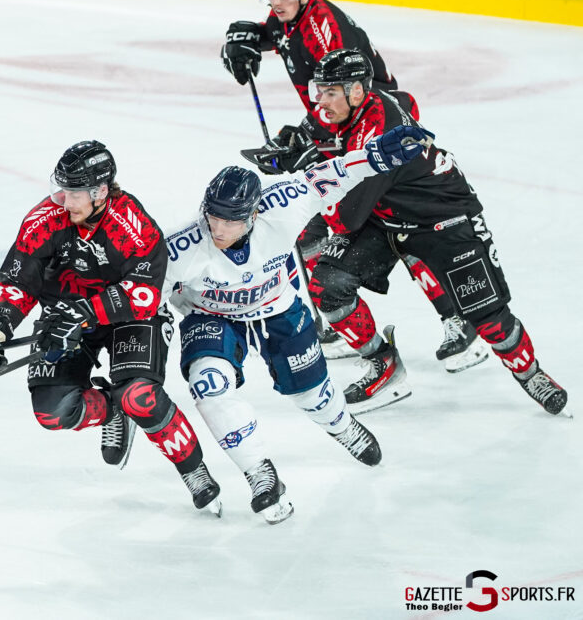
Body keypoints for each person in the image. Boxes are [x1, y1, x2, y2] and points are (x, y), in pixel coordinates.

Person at [218, 0, 487, 373]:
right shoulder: (297, 17)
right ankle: (344, 324)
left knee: (400, 227)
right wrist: (248, 36)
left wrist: (304, 138)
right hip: (343, 128)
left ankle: (460, 320)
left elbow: (342, 93)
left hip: (377, 131)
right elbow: (281, 34)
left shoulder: (325, 32)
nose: (276, 1)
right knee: (311, 227)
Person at [162, 122, 432, 524]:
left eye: (230, 221)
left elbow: (340, 172)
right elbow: (144, 295)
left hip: (278, 311)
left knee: (313, 396)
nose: (218, 230)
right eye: (213, 218)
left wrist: (381, 154)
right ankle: (259, 473)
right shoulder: (181, 244)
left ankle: (341, 426)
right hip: (212, 317)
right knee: (208, 386)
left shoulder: (284, 203)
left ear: (254, 214)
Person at [0, 140, 222, 515]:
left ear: (100, 191)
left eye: (74, 193)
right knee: (52, 412)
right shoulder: (45, 218)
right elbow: (21, 279)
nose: (65, 202)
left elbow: (144, 294)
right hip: (67, 315)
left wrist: (83, 313)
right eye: (62, 189)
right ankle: (112, 410)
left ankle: (194, 470)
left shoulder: (131, 225)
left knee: (140, 397)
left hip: (130, 317)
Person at [305, 48, 569, 417]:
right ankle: (385, 365)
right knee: (328, 284)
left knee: (489, 318)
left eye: (329, 93)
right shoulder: (365, 105)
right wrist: (298, 143)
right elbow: (405, 100)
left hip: (443, 221)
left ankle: (530, 373)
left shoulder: (380, 135)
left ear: (355, 91)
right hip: (389, 216)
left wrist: (308, 176)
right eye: (320, 91)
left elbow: (346, 216)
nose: (320, 102)